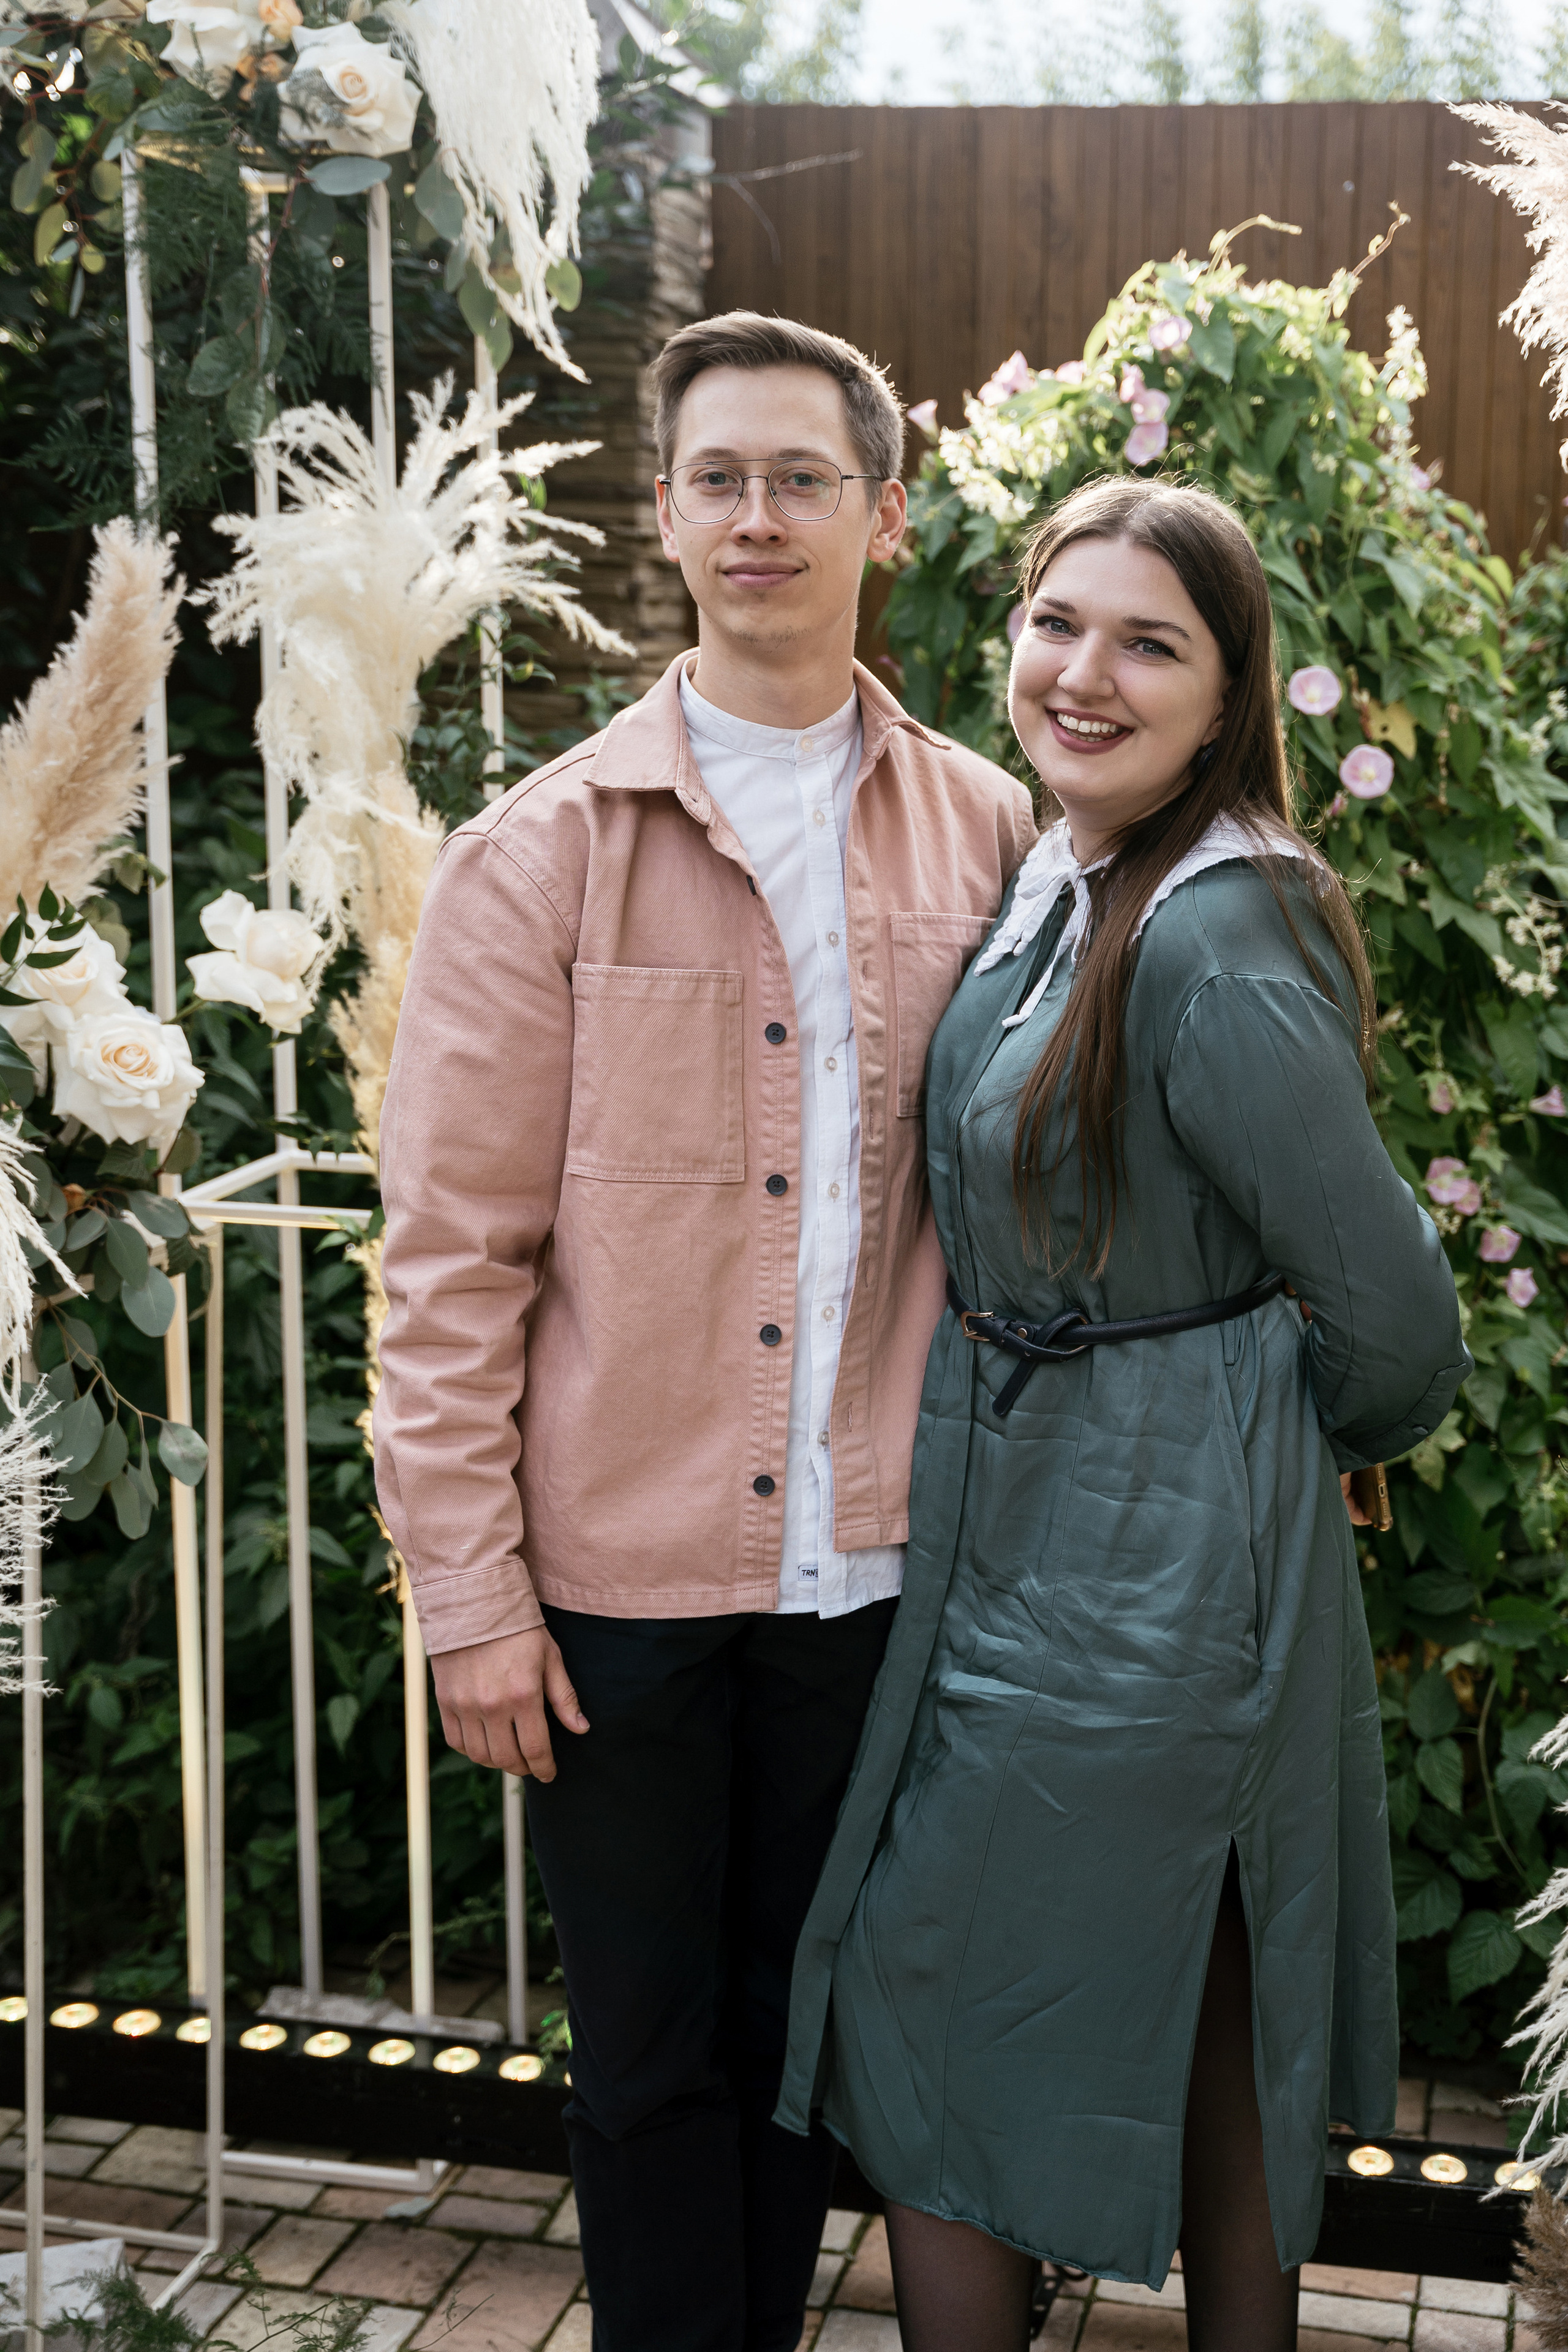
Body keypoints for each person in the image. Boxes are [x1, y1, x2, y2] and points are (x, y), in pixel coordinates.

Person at [371, 310, 1036, 2352]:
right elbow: (449, 1264)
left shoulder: (993, 836)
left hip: (877, 1576)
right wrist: (468, 1601)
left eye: (803, 479)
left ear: (885, 517)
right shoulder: (540, 854)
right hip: (620, 1594)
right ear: (664, 514)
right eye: (721, 479)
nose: (761, 518)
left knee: (801, 2053)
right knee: (652, 2070)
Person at [775, 477, 1471, 2352]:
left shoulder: (1216, 934)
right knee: (1201, 1993)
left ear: (1230, 692)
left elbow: (1401, 1329)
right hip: (1026, 1530)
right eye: (1056, 622)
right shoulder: (1067, 873)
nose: (1084, 673)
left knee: (939, 1990)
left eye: (1149, 643)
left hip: (1158, 1578)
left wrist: (1239, 1437)